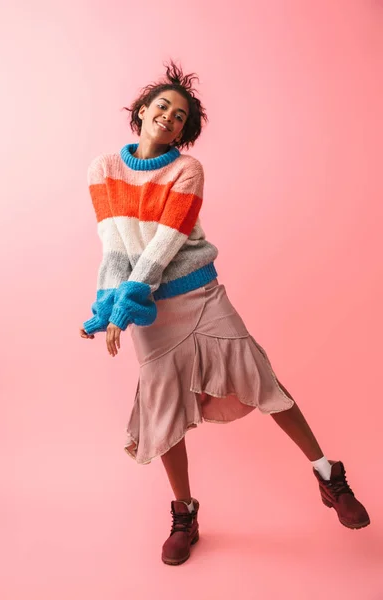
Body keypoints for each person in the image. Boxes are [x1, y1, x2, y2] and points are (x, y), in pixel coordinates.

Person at [80, 62, 370, 566]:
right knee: (163, 407)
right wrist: (108, 307)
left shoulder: (187, 170)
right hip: (150, 312)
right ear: (142, 111)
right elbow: (115, 247)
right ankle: (185, 514)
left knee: (261, 378)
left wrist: (125, 306)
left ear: (183, 132)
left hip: (198, 295)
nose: (169, 117)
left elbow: (164, 246)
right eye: (162, 107)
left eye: (180, 116)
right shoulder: (103, 169)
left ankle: (328, 475)